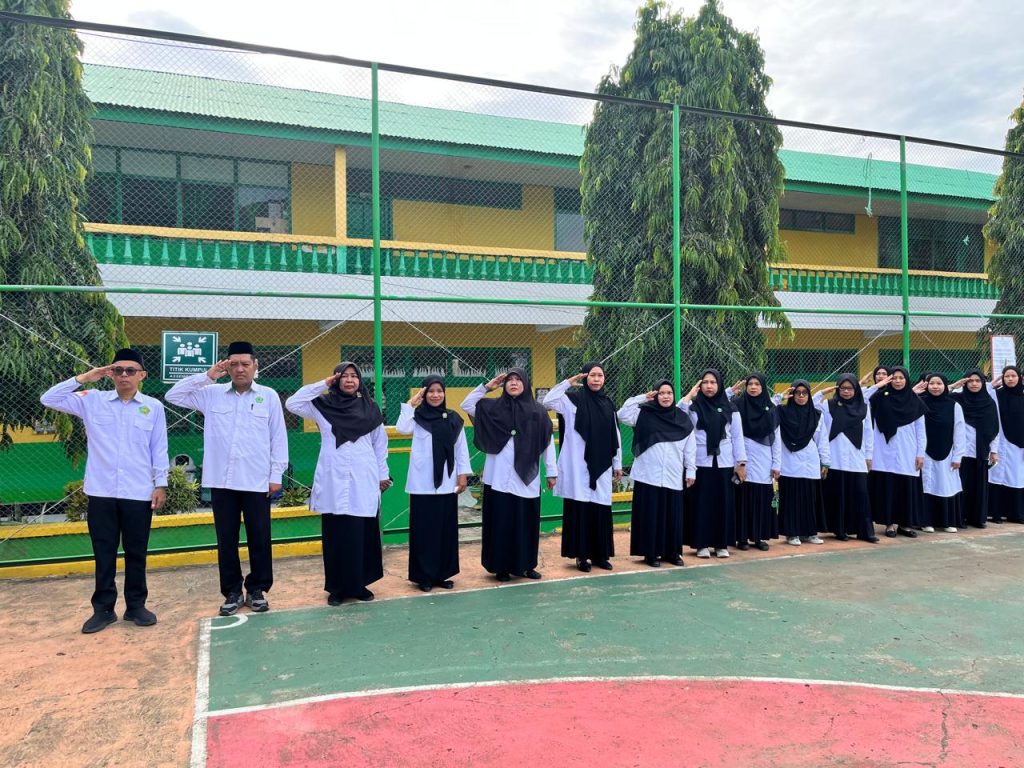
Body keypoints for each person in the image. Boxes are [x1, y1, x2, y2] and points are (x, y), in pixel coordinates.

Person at [40, 349, 169, 634]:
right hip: (101, 491)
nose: (124, 375)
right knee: (104, 552)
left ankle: (136, 606)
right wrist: (85, 378)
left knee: (136, 552)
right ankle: (103, 610)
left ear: (142, 375)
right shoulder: (92, 401)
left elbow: (159, 448)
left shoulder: (153, 407)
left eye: (130, 371)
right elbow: (49, 399)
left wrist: (160, 484)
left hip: (138, 491)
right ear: (110, 374)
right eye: (118, 370)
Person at [166, 340, 288, 615]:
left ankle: (257, 589)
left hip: (257, 481)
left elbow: (278, 437)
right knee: (226, 540)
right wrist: (208, 375)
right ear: (227, 367)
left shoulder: (268, 396)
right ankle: (232, 592)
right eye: (234, 364)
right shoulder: (211, 394)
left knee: (260, 538)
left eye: (245, 364)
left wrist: (276, 475)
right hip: (221, 481)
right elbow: (173, 395)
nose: (240, 369)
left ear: (255, 366)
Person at [286, 362, 390, 604]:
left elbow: (380, 443)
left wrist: (382, 474)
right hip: (333, 477)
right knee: (336, 534)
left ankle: (360, 585)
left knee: (361, 533)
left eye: (354, 376)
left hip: (363, 476)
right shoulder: (322, 405)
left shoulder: (371, 408)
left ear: (360, 381)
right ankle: (337, 588)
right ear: (336, 379)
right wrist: (323, 384)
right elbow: (292, 403)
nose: (350, 380)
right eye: (344, 376)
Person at [462, 368, 557, 582]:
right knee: (501, 523)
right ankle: (501, 567)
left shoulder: (538, 412)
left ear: (526, 383)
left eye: (518, 379)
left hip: (526, 478)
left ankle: (526, 565)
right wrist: (486, 388)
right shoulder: (492, 408)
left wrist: (551, 472)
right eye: (510, 380)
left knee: (526, 523)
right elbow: (466, 405)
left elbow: (547, 443)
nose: (513, 383)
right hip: (498, 478)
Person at [544, 362, 622, 572]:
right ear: (585, 377)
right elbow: (548, 400)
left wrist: (617, 463)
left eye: (600, 375)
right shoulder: (571, 400)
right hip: (577, 465)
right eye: (592, 375)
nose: (596, 379)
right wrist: (568, 383)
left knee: (600, 510)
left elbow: (614, 434)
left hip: (602, 465)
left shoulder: (608, 403)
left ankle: (600, 555)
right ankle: (582, 556)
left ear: (604, 379)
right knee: (581, 510)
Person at [395, 375, 471, 592]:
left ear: (444, 393)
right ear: (424, 393)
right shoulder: (417, 417)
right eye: (430, 391)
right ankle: (424, 577)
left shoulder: (454, 418)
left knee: (445, 531)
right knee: (424, 532)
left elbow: (461, 449)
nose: (435, 395)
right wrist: (411, 404)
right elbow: (401, 428)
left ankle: (442, 574)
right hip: (422, 484)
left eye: (439, 391)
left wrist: (463, 475)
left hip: (447, 482)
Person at [617, 379, 696, 567]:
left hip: (673, 474)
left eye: (669, 393)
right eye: (661, 393)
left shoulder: (682, 419)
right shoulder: (644, 414)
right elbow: (622, 414)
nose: (665, 396)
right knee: (650, 516)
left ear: (674, 396)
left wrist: (691, 470)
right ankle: (650, 553)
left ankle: (672, 553)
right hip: (647, 475)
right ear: (655, 395)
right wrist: (643, 398)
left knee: (672, 516)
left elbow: (690, 448)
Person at [679, 368, 747, 559]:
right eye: (705, 383)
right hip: (700, 463)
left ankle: (721, 544)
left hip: (724, 463)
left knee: (722, 504)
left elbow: (737, 437)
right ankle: (701, 544)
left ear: (719, 385)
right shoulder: (693, 407)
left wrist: (741, 464)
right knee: (701, 504)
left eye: (713, 382)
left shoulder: (731, 408)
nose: (709, 386)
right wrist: (689, 396)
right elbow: (678, 414)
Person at [814, 374, 877, 542]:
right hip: (835, 457)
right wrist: (822, 393)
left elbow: (869, 433)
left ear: (856, 390)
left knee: (860, 494)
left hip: (857, 457)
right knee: (838, 495)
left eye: (850, 388)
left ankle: (865, 532)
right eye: (842, 388)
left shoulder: (864, 407)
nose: (846, 392)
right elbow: (812, 406)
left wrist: (869, 456)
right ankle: (840, 530)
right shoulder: (828, 405)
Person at [869, 366, 926, 538]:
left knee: (906, 488)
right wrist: (878, 386)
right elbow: (862, 399)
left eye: (902, 378)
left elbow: (921, 430)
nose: (898, 381)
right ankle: (889, 524)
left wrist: (920, 453)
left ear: (907, 380)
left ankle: (905, 524)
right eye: (894, 378)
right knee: (888, 487)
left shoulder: (915, 402)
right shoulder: (879, 398)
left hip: (907, 451)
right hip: (883, 450)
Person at [731, 373, 780, 551]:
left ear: (763, 387)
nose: (753, 387)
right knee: (743, 498)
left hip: (764, 460)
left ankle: (759, 537)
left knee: (761, 498)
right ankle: (742, 538)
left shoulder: (771, 409)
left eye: (757, 384)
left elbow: (776, 438)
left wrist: (776, 464)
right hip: (742, 457)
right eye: (750, 384)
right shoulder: (738, 405)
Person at [777, 380, 830, 546]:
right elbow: (768, 408)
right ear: (792, 394)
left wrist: (825, 462)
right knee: (791, 499)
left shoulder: (816, 415)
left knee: (809, 499)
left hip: (810, 462)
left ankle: (810, 532)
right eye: (797, 393)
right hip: (789, 461)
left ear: (809, 395)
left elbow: (822, 440)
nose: (801, 396)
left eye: (804, 393)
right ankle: (792, 533)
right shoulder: (782, 412)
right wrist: (780, 397)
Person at [950, 368, 1000, 528]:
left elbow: (994, 428)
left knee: (978, 486)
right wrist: (954, 385)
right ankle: (960, 517)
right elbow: (940, 396)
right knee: (961, 484)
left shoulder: (989, 403)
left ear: (983, 383)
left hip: (980, 451)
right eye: (970, 381)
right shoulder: (957, 399)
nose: (974, 384)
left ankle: (977, 518)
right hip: (960, 451)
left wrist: (994, 451)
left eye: (978, 381)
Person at [917, 374, 965, 533]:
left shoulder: (954, 406)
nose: (935, 387)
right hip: (924, 453)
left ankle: (947, 522)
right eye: (932, 383)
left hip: (947, 452)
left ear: (945, 386)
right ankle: (926, 522)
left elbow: (959, 432)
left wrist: (958, 455)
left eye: (939, 383)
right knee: (927, 486)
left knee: (945, 485)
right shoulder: (920, 403)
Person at [990, 365, 1024, 523]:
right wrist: (991, 385)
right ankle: (996, 513)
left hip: (1020, 444)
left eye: (1013, 376)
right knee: (997, 477)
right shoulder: (997, 394)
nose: (1010, 379)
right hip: (1001, 441)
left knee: (1017, 477)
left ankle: (1016, 514)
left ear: (1020, 378)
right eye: (1007, 376)